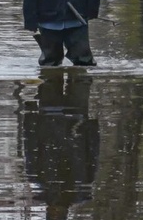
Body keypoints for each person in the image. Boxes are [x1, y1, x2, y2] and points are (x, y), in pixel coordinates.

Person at [20, 69, 99, 219]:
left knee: (51, 75)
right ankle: (72, 63)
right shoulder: (82, 190)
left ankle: (57, 62)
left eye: (53, 215)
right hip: (76, 119)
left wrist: (29, 116)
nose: (56, 213)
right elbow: (93, 156)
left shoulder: (39, 182)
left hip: (50, 117)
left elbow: (30, 145)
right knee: (80, 77)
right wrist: (92, 128)